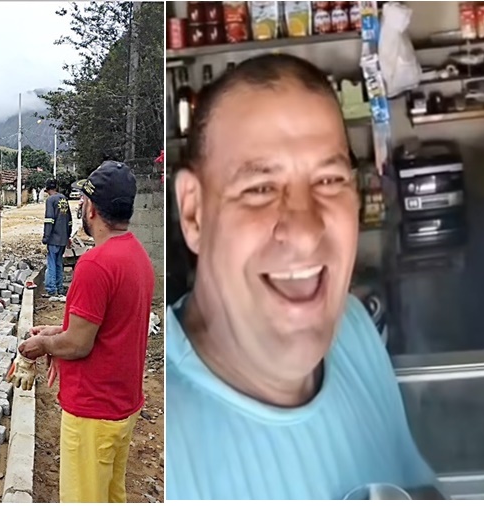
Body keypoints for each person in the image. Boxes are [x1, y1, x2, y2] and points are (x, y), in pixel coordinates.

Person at [166, 54, 434, 499]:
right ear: (194, 212)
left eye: (329, 180)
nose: (306, 231)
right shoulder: (169, 448)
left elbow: (413, 486)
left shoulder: (354, 327)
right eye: (259, 188)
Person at [13, 161, 154, 503]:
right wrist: (56, 331)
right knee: (110, 495)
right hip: (121, 408)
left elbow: (78, 344)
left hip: (93, 413)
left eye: (82, 201)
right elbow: (106, 327)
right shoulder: (136, 255)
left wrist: (41, 345)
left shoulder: (95, 264)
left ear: (90, 208)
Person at [41, 179, 71, 301]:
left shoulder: (50, 200)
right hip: (63, 238)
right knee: (59, 263)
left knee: (52, 263)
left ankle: (51, 290)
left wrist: (46, 237)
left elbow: (49, 220)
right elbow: (69, 219)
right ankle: (60, 288)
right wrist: (68, 236)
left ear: (47, 189)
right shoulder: (64, 199)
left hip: (54, 238)